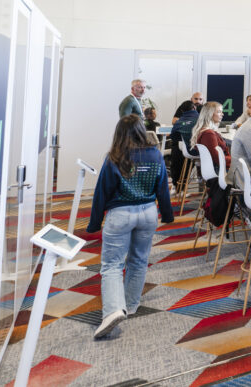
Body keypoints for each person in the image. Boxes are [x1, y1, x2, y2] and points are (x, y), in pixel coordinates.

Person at [86, 115, 174, 339]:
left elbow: (101, 193)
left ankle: (114, 309)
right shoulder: (155, 154)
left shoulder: (115, 157)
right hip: (148, 212)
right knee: (138, 260)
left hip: (120, 214)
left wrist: (94, 222)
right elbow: (163, 187)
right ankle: (131, 305)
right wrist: (168, 214)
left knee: (113, 265)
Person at [191, 101, 231, 172]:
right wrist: (236, 160)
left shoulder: (205, 131)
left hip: (218, 168)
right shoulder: (208, 134)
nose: (222, 114)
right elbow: (217, 158)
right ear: (209, 114)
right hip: (220, 170)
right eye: (219, 112)